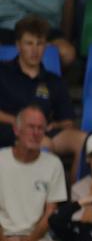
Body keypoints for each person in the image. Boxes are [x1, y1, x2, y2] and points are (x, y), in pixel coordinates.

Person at [0, 17, 82, 153]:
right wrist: (20, 123)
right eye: (29, 43)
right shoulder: (2, 71)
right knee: (42, 143)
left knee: (83, 140)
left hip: (43, 132)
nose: (35, 50)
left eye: (39, 43)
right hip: (8, 130)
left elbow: (68, 122)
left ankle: (78, 176)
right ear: (18, 45)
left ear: (46, 46)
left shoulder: (54, 81)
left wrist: (53, 124)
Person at [0, 106, 65, 241]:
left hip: (37, 237)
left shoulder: (53, 164)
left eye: (40, 128)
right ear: (16, 130)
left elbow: (50, 212)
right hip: (2, 235)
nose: (36, 133)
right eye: (30, 127)